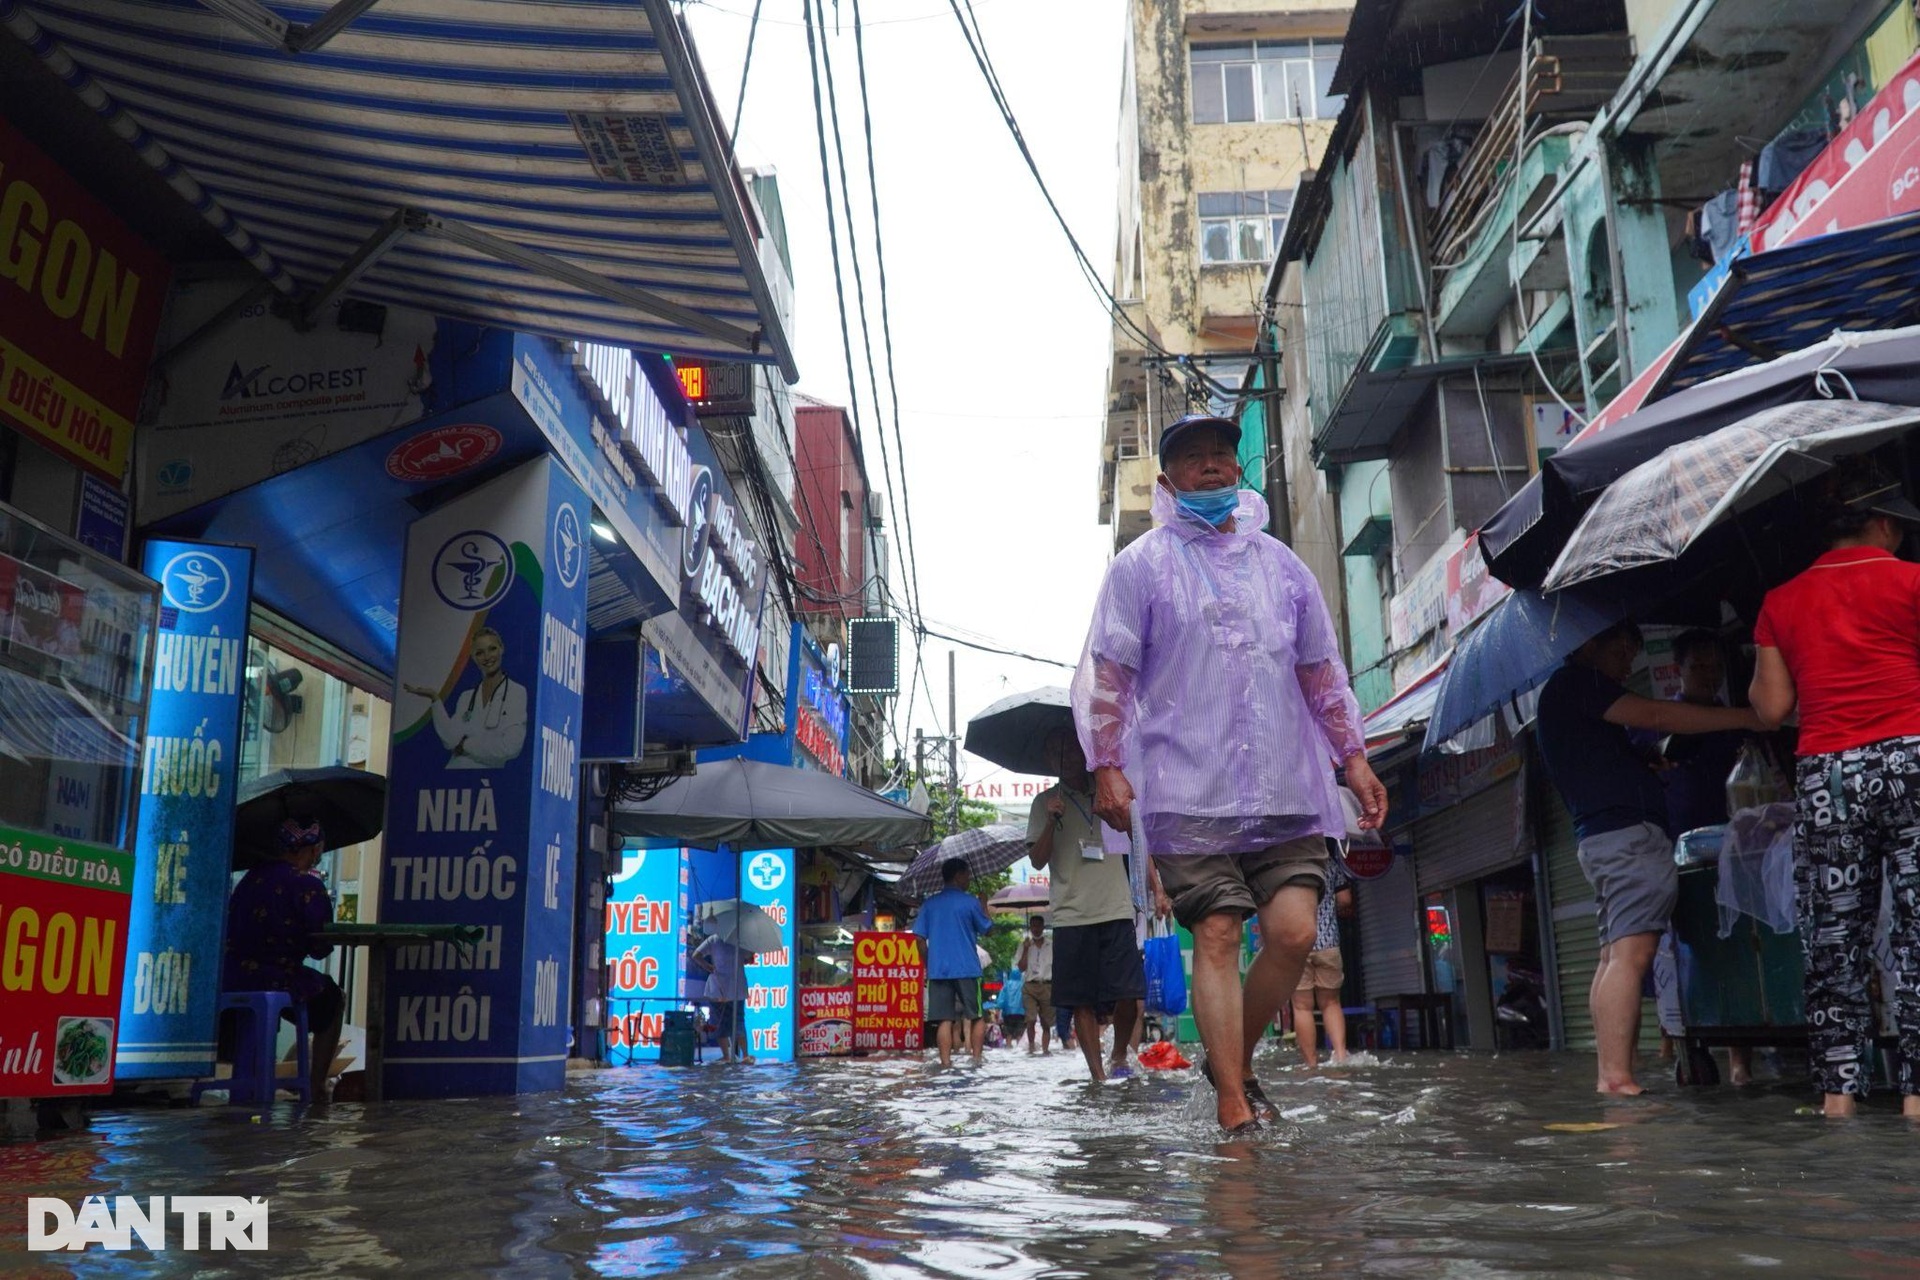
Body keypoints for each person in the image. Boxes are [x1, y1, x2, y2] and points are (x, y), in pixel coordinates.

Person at [1073, 413, 1388, 1133]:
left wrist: (1356, 759)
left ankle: (1227, 1060)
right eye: (1194, 459)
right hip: (1189, 788)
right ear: (1167, 480)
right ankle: (1232, 1101)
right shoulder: (1141, 567)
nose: (1211, 467)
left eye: (1222, 455)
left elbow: (1322, 675)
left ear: (1238, 471)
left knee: (1294, 933)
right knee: (1216, 931)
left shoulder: (1282, 566)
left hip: (1284, 784)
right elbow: (1109, 678)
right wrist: (1107, 766)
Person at [1750, 464, 1920, 1119]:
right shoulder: (1911, 581)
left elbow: (1771, 708)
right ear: (1883, 523)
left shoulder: (1781, 599)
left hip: (1830, 776)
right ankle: (1914, 1100)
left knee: (1835, 941)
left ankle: (1839, 1101)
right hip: (1912, 761)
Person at [1536, 621, 1763, 1095]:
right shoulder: (1580, 684)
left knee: (1613, 955)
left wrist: (1642, 765)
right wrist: (1747, 717)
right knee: (1631, 956)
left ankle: (1610, 1074)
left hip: (1603, 837)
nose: (1629, 661)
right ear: (1592, 642)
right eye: (1623, 649)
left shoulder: (1567, 696)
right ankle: (1617, 1078)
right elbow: (1658, 716)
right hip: (1625, 837)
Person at [1657, 629, 1757, 1085]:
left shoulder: (1737, 721)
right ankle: (1675, 1040)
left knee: (1736, 943)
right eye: (1699, 666)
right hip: (1681, 853)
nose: (1708, 675)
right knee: (1680, 948)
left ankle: (1740, 1059)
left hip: (1736, 848)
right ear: (1678, 670)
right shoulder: (1664, 721)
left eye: (1715, 667)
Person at [1028, 728, 1155, 1081]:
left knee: (1130, 993)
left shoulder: (1108, 793)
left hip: (1116, 906)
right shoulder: (1043, 803)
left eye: (1068, 745)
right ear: (1048, 761)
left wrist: (1157, 889)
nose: (1063, 754)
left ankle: (1118, 1055)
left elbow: (1139, 838)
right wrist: (1051, 822)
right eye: (1054, 750)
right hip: (1070, 915)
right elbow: (1037, 860)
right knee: (1080, 1000)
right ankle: (1097, 1075)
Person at [220, 817, 345, 1103]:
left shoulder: (250, 880)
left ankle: (249, 1082)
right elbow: (320, 949)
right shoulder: (307, 886)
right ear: (314, 851)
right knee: (333, 998)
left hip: (230, 976)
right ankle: (315, 1086)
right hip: (277, 977)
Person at [403, 626, 529, 768]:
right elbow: (451, 740)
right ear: (473, 657)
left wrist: (466, 744)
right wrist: (435, 699)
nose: (487, 657)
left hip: (489, 782)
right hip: (453, 777)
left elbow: (510, 747)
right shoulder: (466, 697)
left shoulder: (516, 693)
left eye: (492, 649)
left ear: (502, 648)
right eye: (480, 653)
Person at [912, 858, 994, 1068]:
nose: (968, 878)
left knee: (944, 1020)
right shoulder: (971, 903)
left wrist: (930, 963)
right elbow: (988, 929)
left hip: (939, 971)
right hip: (967, 968)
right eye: (966, 874)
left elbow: (919, 939)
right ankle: (976, 1060)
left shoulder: (930, 904)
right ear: (958, 876)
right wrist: (984, 904)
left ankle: (946, 1063)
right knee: (976, 1016)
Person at [1291, 855, 1354, 1068]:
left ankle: (1311, 1063)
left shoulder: (1290, 865)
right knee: (1331, 1003)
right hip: (1328, 943)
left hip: (1298, 943)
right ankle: (1341, 1056)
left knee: (1302, 1007)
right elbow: (1345, 899)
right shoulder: (1330, 864)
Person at [694, 931, 749, 1063]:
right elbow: (748, 958)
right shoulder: (741, 940)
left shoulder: (714, 939)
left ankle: (726, 1055)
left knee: (719, 1022)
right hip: (737, 987)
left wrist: (708, 966)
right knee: (739, 1021)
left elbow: (696, 955)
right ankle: (745, 1055)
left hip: (718, 987)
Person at [1015, 915, 1055, 1055]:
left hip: (1046, 985)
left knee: (1046, 1021)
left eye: (1039, 925)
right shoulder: (1024, 945)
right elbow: (1021, 968)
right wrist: (1026, 949)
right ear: (1030, 927)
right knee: (1030, 1018)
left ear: (1043, 927)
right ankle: (1031, 1046)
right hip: (1030, 986)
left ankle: (1045, 1049)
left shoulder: (1051, 945)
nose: (1036, 929)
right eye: (1033, 926)